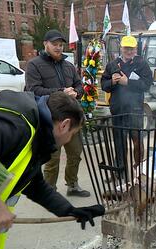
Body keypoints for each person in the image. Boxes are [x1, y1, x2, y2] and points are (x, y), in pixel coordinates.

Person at [0, 90, 105, 249]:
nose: (69, 140)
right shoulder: (15, 126)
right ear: (64, 125)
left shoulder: (35, 135)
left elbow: (33, 183)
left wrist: (68, 210)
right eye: (73, 134)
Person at [25, 29, 90, 197]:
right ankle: (49, 191)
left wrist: (76, 92)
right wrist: (61, 91)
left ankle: (72, 185)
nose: (58, 47)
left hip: (72, 118)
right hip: (50, 119)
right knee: (52, 158)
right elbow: (34, 90)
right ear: (45, 44)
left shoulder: (68, 65)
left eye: (61, 44)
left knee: (75, 153)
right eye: (54, 44)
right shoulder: (34, 65)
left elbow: (79, 86)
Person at [101, 35, 153, 175]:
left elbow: (147, 84)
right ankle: (120, 172)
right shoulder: (112, 65)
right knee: (119, 143)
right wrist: (111, 82)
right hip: (118, 110)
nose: (129, 51)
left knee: (137, 142)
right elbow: (104, 86)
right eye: (126, 48)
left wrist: (127, 82)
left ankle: (138, 171)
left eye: (131, 48)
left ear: (135, 49)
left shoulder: (142, 64)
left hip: (135, 110)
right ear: (121, 48)